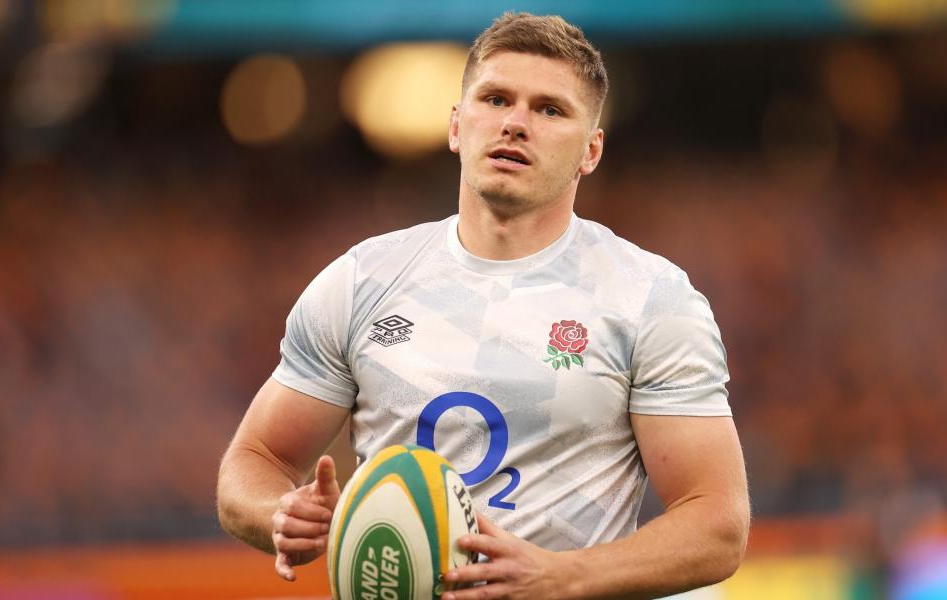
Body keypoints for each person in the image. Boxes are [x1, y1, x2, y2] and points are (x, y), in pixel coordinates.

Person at [217, 12, 750, 599]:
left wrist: (561, 576)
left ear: (591, 151)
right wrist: (278, 513)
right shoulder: (361, 281)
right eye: (495, 99)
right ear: (456, 125)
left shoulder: (650, 300)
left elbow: (717, 524)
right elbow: (255, 459)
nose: (515, 124)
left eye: (550, 109)